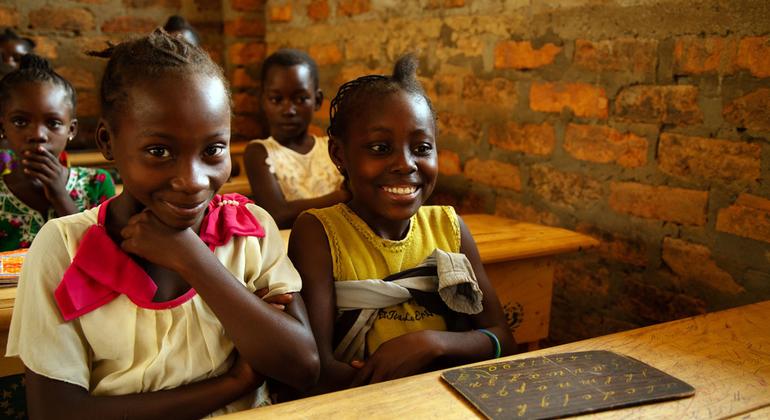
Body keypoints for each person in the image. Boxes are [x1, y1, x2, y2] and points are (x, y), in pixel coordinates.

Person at [6, 29, 319, 418]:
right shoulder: (64, 247)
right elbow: (57, 412)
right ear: (107, 141)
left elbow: (303, 365)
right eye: (159, 151)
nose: (192, 180)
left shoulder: (248, 230)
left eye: (213, 149)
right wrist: (232, 384)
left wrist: (193, 259)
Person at [289, 55, 515, 394]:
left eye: (422, 148)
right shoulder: (319, 233)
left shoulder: (448, 227)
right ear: (338, 154)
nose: (406, 164)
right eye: (380, 148)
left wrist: (431, 343)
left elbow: (502, 339)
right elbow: (318, 369)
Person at [0, 54, 115, 251]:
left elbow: (106, 256)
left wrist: (60, 195)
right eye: (20, 122)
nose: (37, 135)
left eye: (53, 123)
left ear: (71, 130)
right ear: (2, 129)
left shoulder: (96, 184)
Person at [243, 49, 347, 229]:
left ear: (317, 100)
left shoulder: (331, 148)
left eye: (300, 99)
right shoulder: (258, 152)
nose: (288, 110)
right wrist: (342, 197)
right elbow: (278, 214)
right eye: (276, 99)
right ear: (263, 100)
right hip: (288, 249)